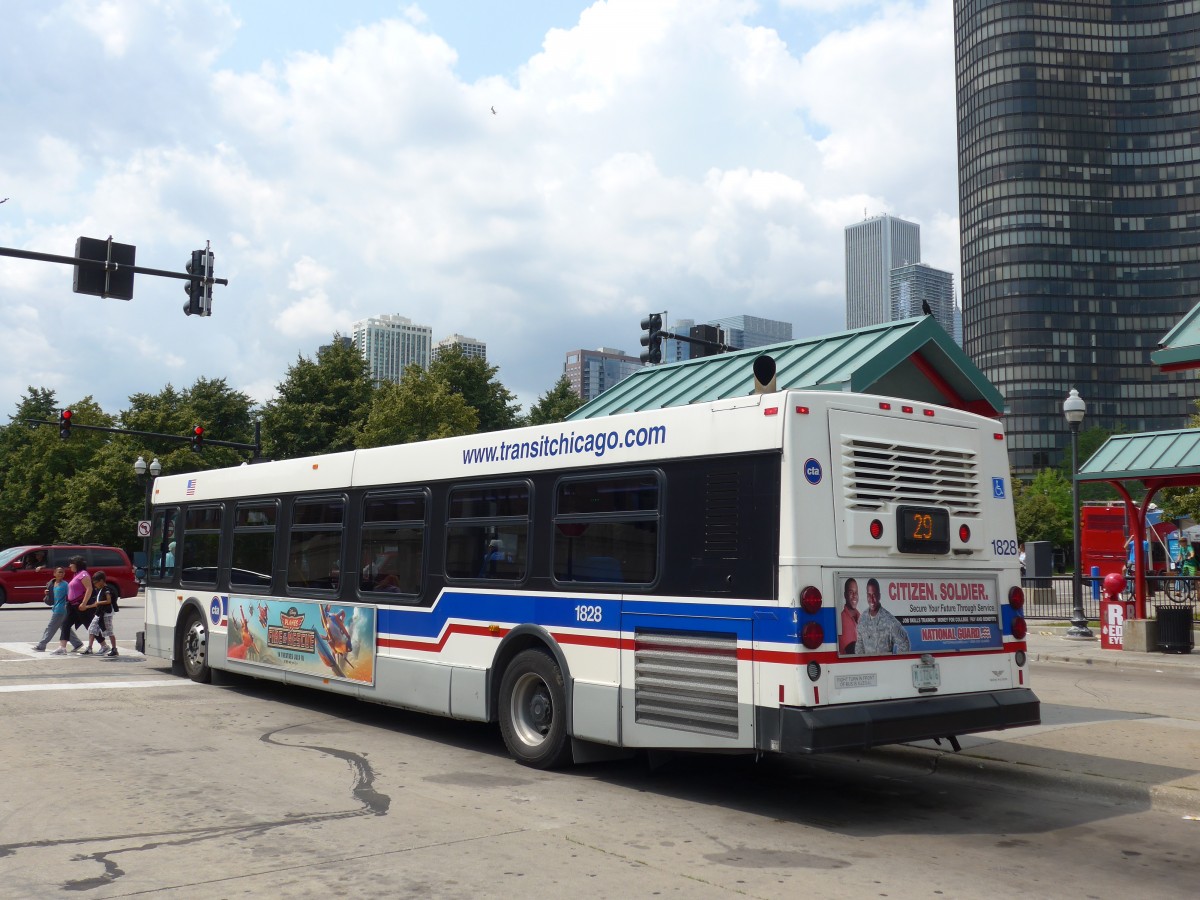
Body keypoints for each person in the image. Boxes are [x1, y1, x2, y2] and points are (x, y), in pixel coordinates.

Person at [52, 555, 100, 655]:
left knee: (90, 626)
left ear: (77, 564)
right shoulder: (77, 574)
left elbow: (89, 589)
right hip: (72, 606)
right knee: (65, 624)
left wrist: (84, 603)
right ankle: (62, 647)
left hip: (80, 605)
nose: (69, 566)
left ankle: (104, 645)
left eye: (71, 564)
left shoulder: (84, 574)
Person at [854, 577, 911, 655]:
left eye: (874, 595)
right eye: (869, 595)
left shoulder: (890, 621)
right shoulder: (862, 619)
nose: (871, 599)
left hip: (885, 666)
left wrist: (896, 663)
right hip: (867, 666)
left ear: (879, 596)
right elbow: (859, 645)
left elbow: (904, 644)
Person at [32, 566, 80, 653]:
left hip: (61, 609)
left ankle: (42, 645)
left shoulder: (65, 584)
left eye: (62, 572)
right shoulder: (52, 583)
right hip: (56, 607)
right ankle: (77, 643)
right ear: (54, 574)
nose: (61, 574)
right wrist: (47, 593)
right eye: (59, 572)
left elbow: (70, 596)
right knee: (64, 627)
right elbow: (52, 595)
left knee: (51, 627)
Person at [80, 570, 119, 656]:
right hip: (99, 613)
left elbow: (108, 601)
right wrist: (87, 606)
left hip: (106, 614)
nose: (95, 585)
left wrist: (99, 603)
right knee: (92, 629)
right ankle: (89, 648)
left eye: (96, 583)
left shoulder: (107, 590)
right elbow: (96, 603)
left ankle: (114, 649)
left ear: (101, 581)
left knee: (109, 632)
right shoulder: (100, 590)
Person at [839, 578, 860, 654]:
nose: (854, 596)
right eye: (851, 592)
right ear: (845, 595)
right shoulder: (842, 620)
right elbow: (852, 651)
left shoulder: (862, 618)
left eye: (856, 592)